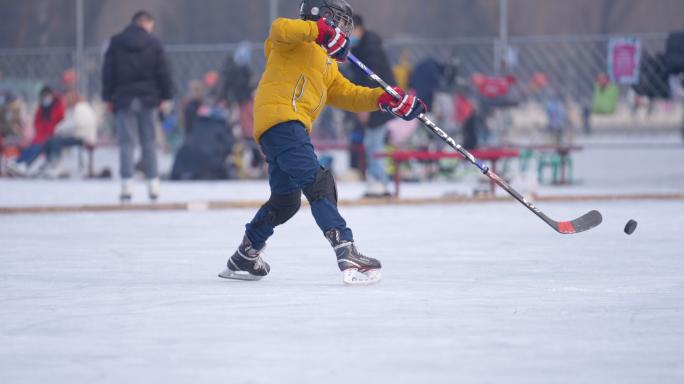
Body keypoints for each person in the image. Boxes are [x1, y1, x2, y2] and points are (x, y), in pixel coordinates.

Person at [218, 0, 426, 286]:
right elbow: (280, 28)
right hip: (283, 120)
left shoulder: (326, 61)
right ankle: (346, 248)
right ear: (324, 17)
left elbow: (347, 93)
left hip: (281, 128)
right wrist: (318, 31)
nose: (342, 30)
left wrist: (384, 100)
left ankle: (245, 254)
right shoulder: (292, 41)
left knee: (285, 201)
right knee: (320, 183)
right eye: (338, 22)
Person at [102, 10, 173, 202]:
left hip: (124, 98)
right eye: (151, 25)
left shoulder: (116, 42)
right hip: (149, 98)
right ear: (145, 23)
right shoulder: (154, 43)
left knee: (126, 143)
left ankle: (127, 185)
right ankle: (153, 185)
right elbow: (163, 72)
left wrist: (108, 97)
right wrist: (165, 96)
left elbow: (108, 72)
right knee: (149, 142)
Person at [347, 14, 397, 197]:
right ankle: (378, 180)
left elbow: (372, 79)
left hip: (381, 100)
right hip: (376, 99)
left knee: (375, 142)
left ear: (358, 28)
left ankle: (380, 182)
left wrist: (366, 106)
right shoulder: (360, 46)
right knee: (371, 142)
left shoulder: (370, 46)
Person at [6, 86, 65, 177]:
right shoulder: (41, 109)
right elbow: (36, 122)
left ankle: (24, 164)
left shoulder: (59, 107)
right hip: (40, 135)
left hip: (52, 136)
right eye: (43, 96)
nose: (45, 99)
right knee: (31, 147)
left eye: (47, 96)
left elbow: (60, 122)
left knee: (38, 147)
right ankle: (18, 162)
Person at [37, 91, 97, 178]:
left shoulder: (81, 108)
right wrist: (60, 129)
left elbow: (77, 124)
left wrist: (60, 129)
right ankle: (49, 162)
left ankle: (56, 165)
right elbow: (67, 123)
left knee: (57, 141)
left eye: (69, 99)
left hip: (84, 137)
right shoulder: (71, 109)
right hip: (76, 135)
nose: (66, 101)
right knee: (49, 140)